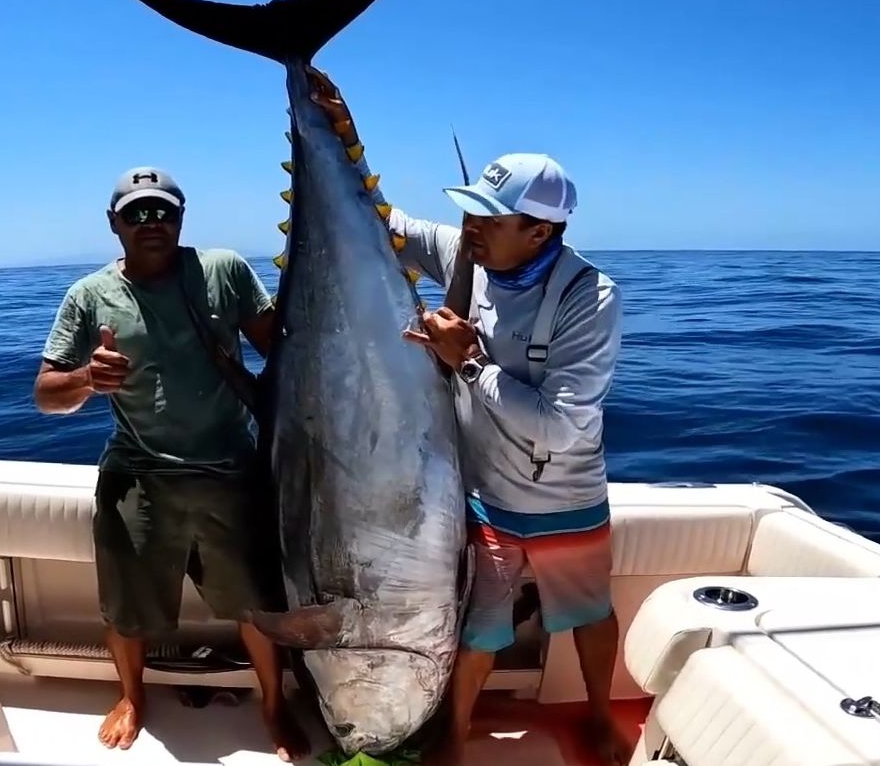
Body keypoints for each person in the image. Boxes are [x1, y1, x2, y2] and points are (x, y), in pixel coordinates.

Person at [306, 71, 624, 764]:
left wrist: (470, 362)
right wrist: (346, 139)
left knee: (590, 614)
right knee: (480, 628)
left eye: (489, 218)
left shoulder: (589, 297)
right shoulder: (467, 255)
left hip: (565, 497)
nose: (470, 228)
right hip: (482, 496)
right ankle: (454, 733)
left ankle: (601, 716)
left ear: (539, 230)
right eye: (471, 213)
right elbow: (383, 225)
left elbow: (563, 425)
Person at [31, 166, 309, 762]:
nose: (151, 222)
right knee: (127, 607)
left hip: (232, 469)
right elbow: (47, 394)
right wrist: (87, 379)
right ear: (114, 223)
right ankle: (131, 696)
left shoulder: (224, 270)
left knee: (260, 603)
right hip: (139, 474)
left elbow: (283, 349)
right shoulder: (88, 295)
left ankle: (273, 703)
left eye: (163, 211)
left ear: (181, 218)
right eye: (136, 212)